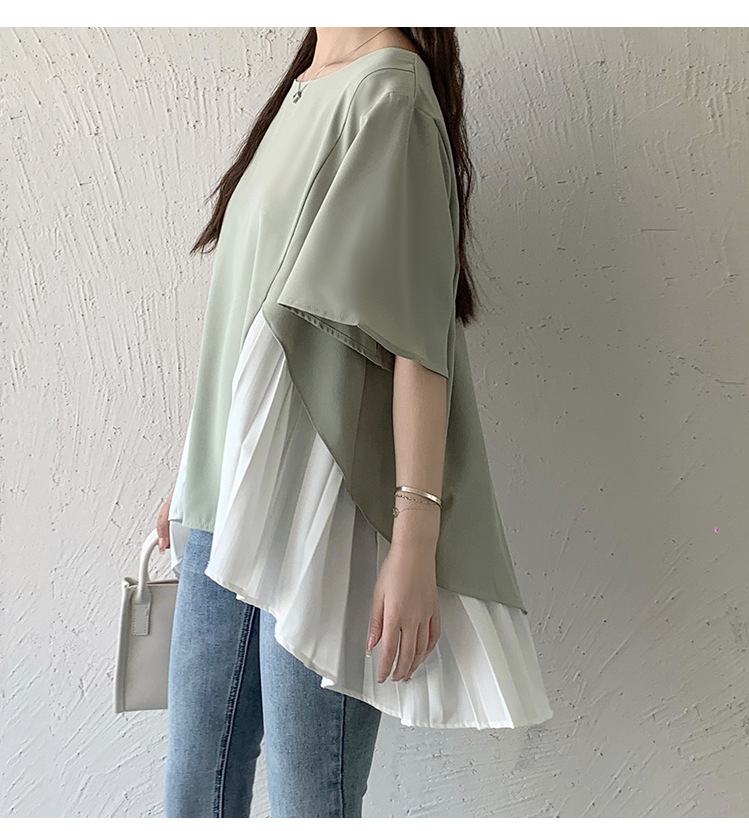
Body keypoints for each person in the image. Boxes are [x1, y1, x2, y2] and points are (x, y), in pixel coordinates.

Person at [157, 27, 553, 819]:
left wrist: (414, 541)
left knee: (310, 801)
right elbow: (249, 316)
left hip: (323, 519)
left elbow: (418, 342)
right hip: (223, 497)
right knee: (194, 786)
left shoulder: (391, 95)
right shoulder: (308, 82)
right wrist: (190, 467)